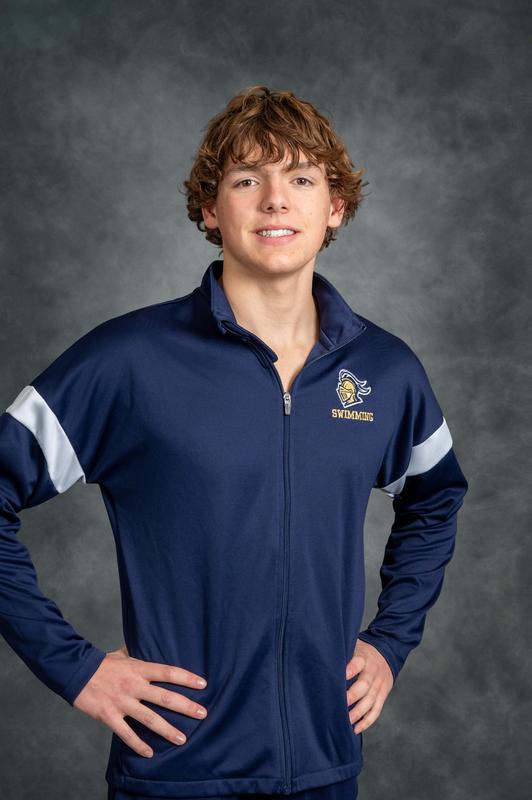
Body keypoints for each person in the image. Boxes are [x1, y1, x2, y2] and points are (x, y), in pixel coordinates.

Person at [0, 85, 468, 800]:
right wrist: (76, 668)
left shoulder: (385, 371)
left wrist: (389, 643)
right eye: (248, 179)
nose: (276, 200)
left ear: (334, 207)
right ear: (210, 211)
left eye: (302, 179)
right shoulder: (128, 363)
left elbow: (437, 499)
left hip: (324, 769)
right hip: (176, 772)